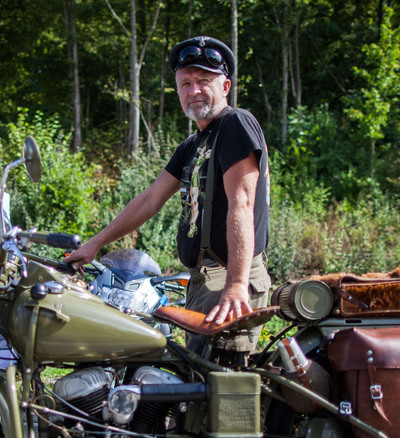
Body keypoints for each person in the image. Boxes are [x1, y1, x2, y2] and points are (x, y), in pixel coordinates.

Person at [64, 36, 271, 364]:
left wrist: (236, 284)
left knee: (220, 389)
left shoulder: (235, 124)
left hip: (229, 277)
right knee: (194, 385)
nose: (194, 90)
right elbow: (149, 200)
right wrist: (93, 246)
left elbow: (242, 204)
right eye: (185, 83)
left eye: (204, 81)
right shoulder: (192, 145)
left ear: (226, 86)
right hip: (202, 280)